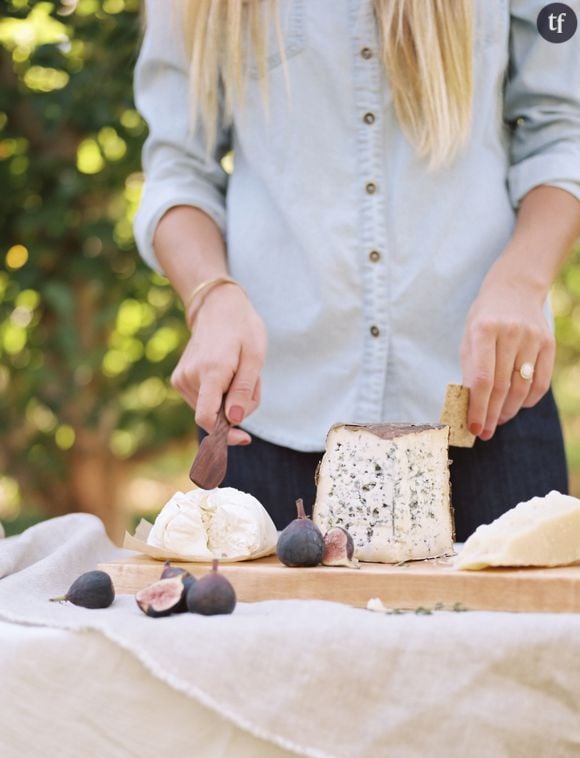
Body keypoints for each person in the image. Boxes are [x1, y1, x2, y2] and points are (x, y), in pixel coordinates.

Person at [132, 0, 580, 540]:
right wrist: (211, 295)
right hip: (275, 408)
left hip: (491, 397)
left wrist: (521, 281)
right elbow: (178, 170)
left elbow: (564, 133)